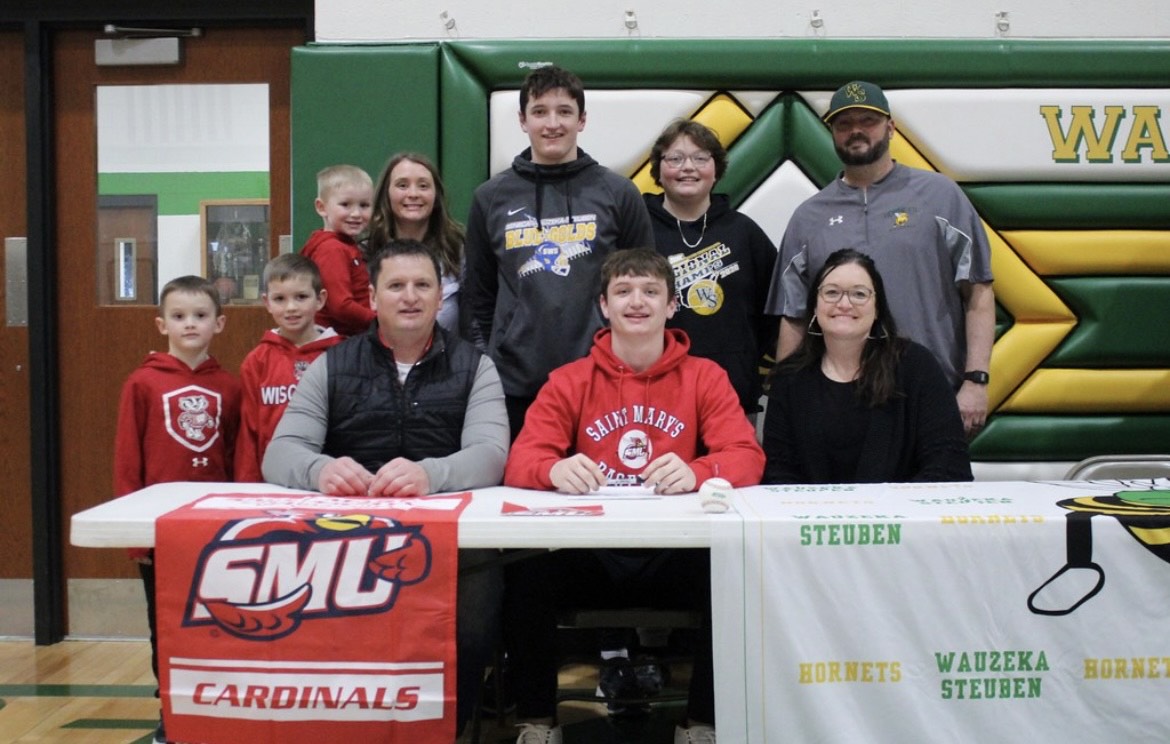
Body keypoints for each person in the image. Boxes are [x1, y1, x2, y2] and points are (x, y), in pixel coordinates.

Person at [503, 249, 765, 744]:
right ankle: (537, 721)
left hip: (675, 555)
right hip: (591, 557)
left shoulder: (704, 377)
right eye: (623, 291)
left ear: (671, 307)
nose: (637, 302)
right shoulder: (569, 380)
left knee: (735, 569)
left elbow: (747, 456)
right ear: (604, 305)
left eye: (650, 291)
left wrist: (697, 470)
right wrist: (553, 468)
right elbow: (521, 461)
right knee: (525, 568)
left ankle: (702, 722)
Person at [262, 239, 509, 735]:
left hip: (454, 548)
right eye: (395, 285)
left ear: (442, 298)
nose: (410, 296)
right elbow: (280, 452)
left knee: (474, 628)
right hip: (345, 543)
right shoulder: (332, 365)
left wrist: (430, 475)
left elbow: (491, 455)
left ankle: (452, 729)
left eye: (423, 285)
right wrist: (320, 471)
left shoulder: (475, 365)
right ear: (373, 298)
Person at [765, 80, 995, 434]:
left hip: (930, 391)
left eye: (867, 121)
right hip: (838, 397)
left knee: (933, 488)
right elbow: (794, 317)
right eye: (844, 123)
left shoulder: (941, 196)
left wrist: (976, 381)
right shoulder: (809, 216)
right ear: (832, 132)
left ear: (891, 127)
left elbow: (978, 293)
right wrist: (784, 400)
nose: (856, 130)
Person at [461, 63, 655, 438]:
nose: (553, 124)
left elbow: (646, 288)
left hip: (603, 380)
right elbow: (478, 297)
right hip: (515, 386)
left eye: (564, 112)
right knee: (521, 488)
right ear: (522, 120)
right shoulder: (490, 197)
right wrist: (491, 362)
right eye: (539, 112)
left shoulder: (618, 193)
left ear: (582, 120)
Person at [113, 275, 241, 744]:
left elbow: (237, 458)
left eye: (201, 315)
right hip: (161, 535)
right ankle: (172, 712)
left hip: (215, 532)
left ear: (220, 323)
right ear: (160, 323)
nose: (191, 324)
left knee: (219, 623)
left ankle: (218, 710)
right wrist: (136, 536)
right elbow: (128, 462)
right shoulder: (142, 384)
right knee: (165, 625)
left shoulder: (230, 385)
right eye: (180, 316)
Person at [763, 248, 972, 484]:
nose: (844, 303)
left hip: (901, 517)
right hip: (811, 518)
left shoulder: (917, 367)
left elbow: (949, 466)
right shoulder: (789, 378)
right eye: (831, 293)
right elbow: (778, 474)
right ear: (814, 306)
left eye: (859, 294)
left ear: (877, 309)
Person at [644, 119, 777, 417]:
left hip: (733, 399)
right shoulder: (638, 231)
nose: (688, 167)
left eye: (701, 158)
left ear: (715, 169)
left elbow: (776, 306)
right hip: (655, 400)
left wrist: (749, 363)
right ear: (658, 169)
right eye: (675, 158)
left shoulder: (744, 232)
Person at [234, 253, 341, 482]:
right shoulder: (257, 361)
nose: (291, 307)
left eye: (301, 297)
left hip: (330, 479)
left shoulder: (341, 356)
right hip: (272, 480)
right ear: (267, 303)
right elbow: (248, 433)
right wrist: (249, 486)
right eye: (280, 299)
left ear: (320, 299)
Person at [366, 152, 465, 333]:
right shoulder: (363, 252)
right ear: (386, 194)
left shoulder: (458, 251)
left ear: (436, 196)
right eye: (402, 185)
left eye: (423, 186)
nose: (413, 194)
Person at [300, 164, 375, 337]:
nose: (356, 213)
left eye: (364, 205)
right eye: (345, 205)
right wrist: (381, 322)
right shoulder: (333, 249)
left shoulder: (343, 244)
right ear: (321, 207)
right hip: (338, 341)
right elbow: (341, 306)